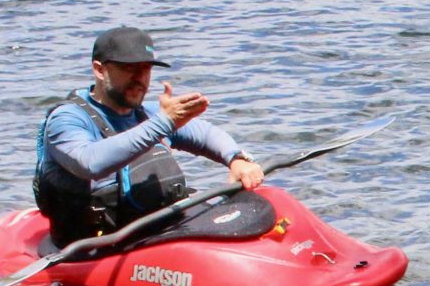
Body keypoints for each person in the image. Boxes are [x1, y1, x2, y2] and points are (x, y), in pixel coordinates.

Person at [32, 25, 265, 246]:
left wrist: (236, 159)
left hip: (151, 231)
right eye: (129, 68)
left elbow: (204, 133)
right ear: (99, 70)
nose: (140, 78)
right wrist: (164, 123)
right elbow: (90, 162)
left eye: (146, 68)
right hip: (91, 244)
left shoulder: (149, 113)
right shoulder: (67, 120)